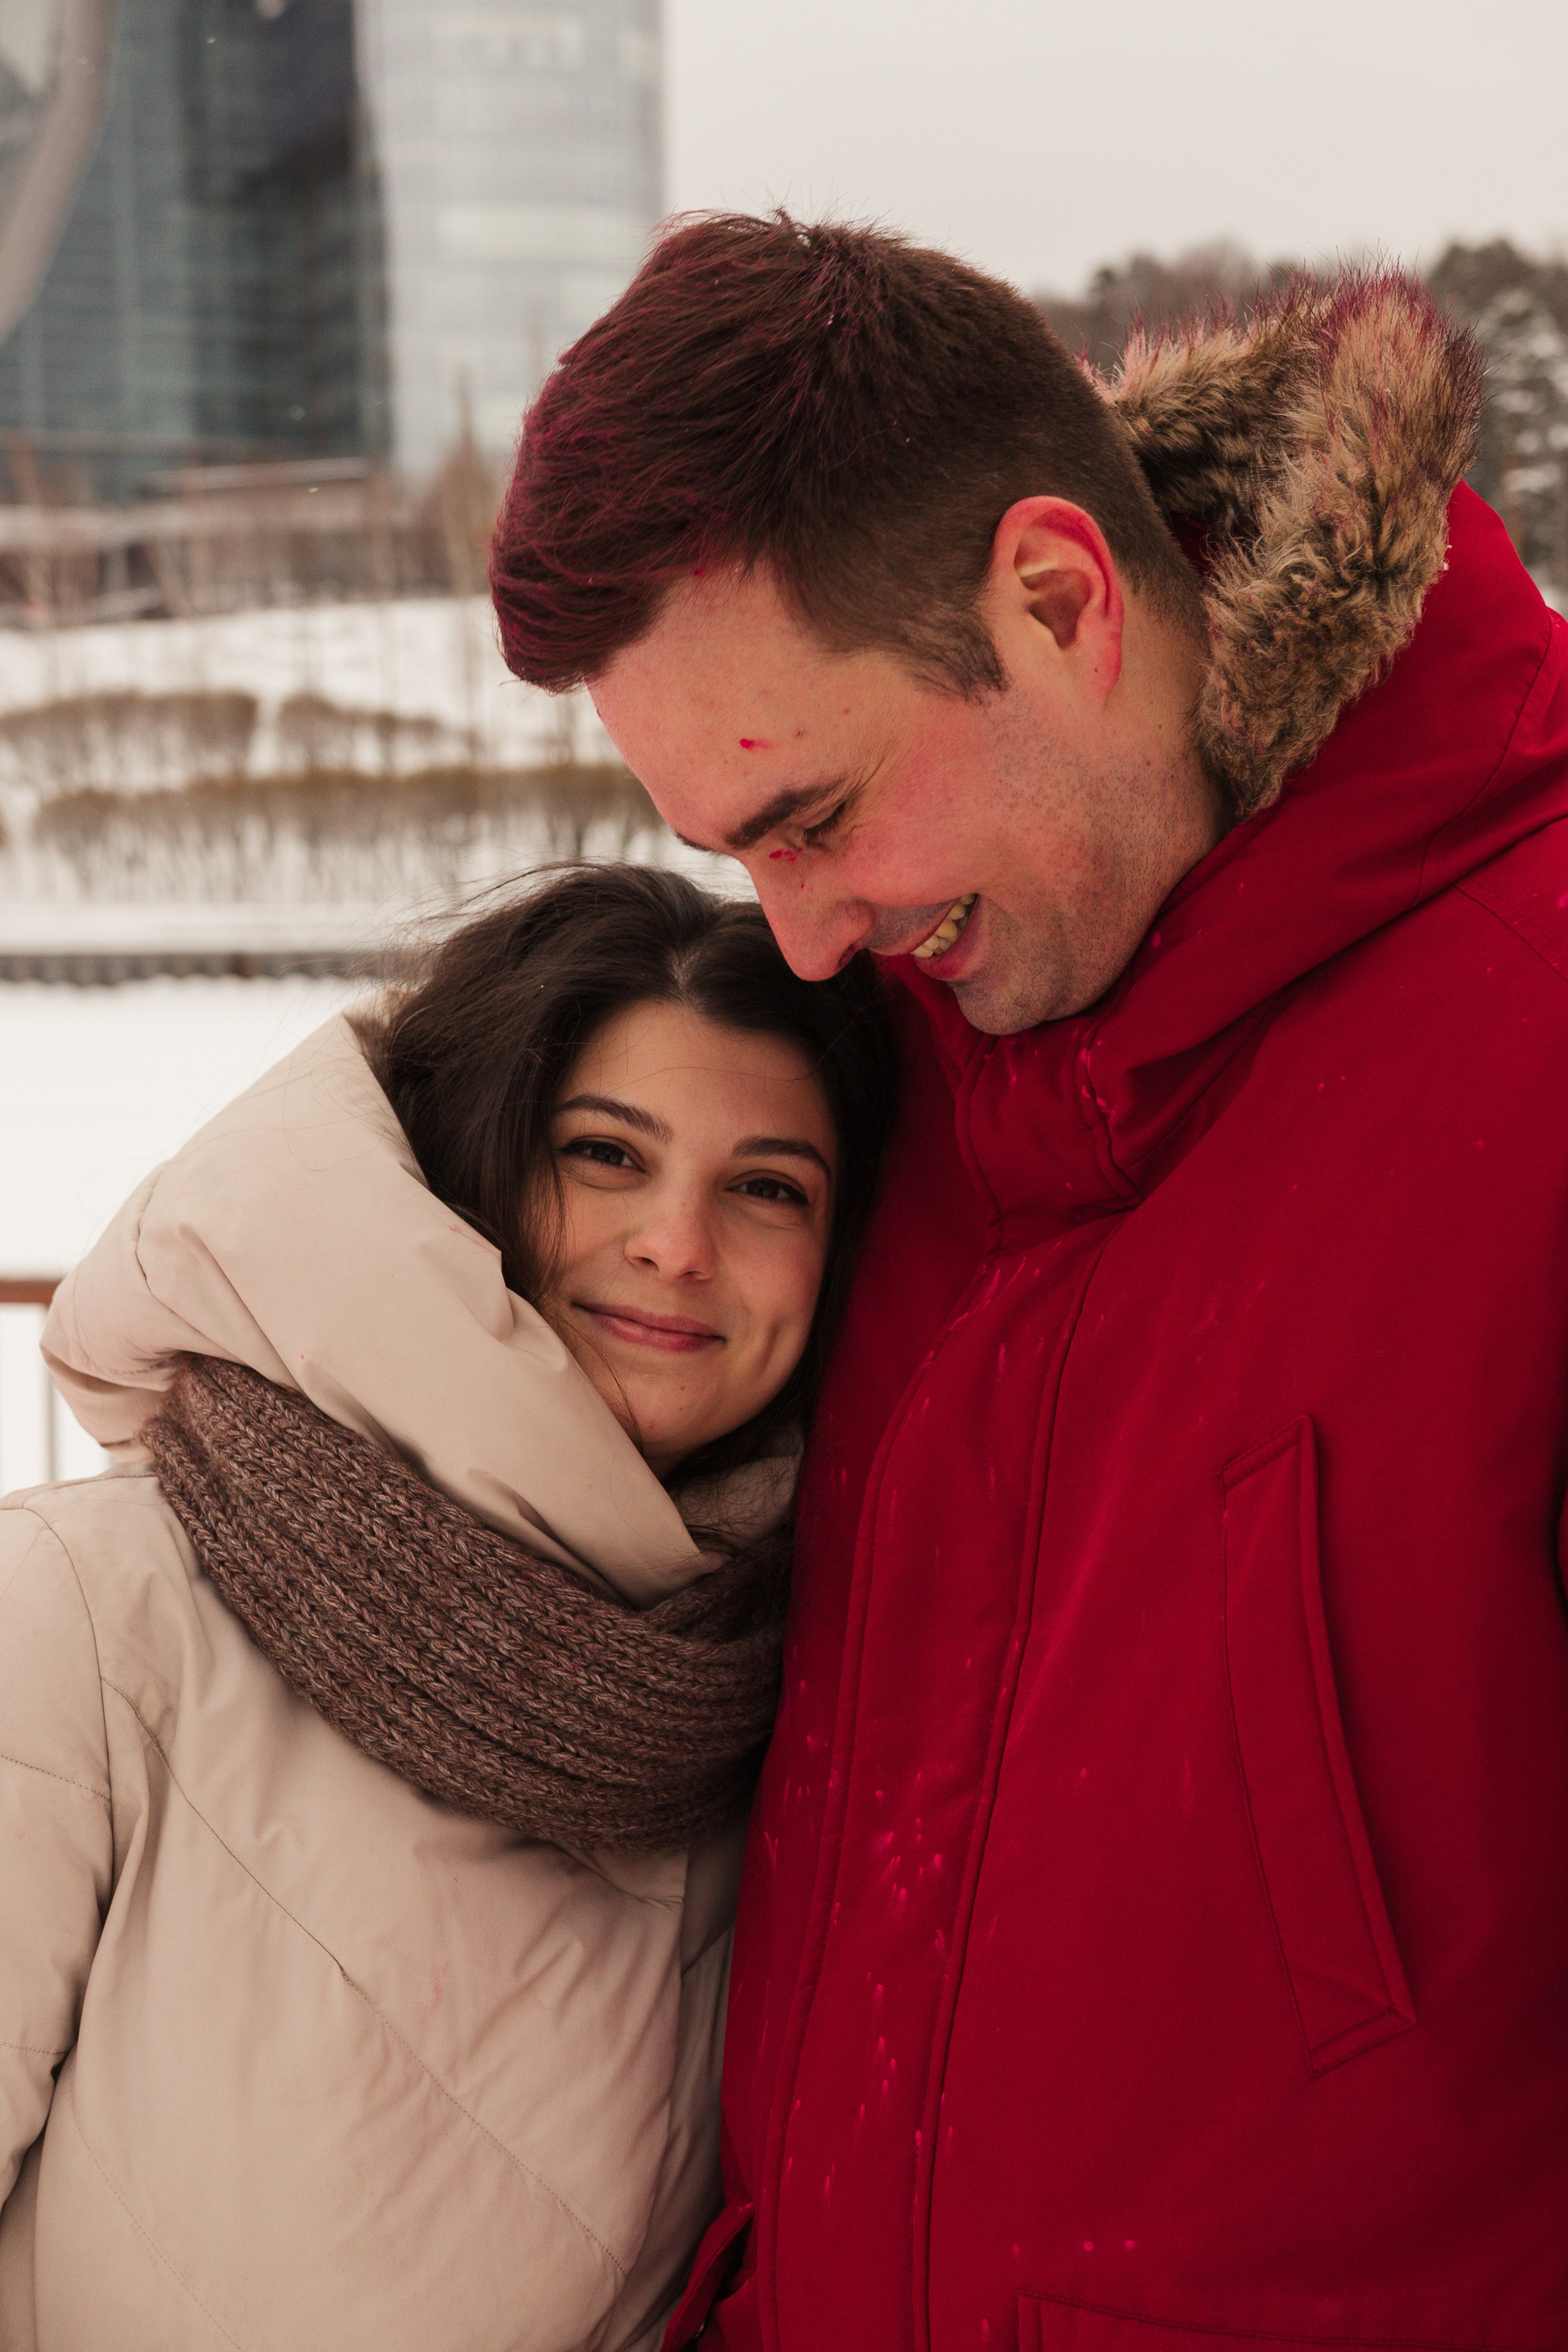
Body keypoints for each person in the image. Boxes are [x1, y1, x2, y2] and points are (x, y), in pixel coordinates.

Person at [483, 219, 1568, 2346]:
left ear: (1058, 601)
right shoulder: (872, 1090)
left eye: (819, 815)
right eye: (734, 854)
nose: (795, 936)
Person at [0, 864, 893, 2352]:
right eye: (604, 1155)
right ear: (467, 1174)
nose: (678, 1242)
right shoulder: (84, 1620)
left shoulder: (789, 1696)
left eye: (765, 1186)